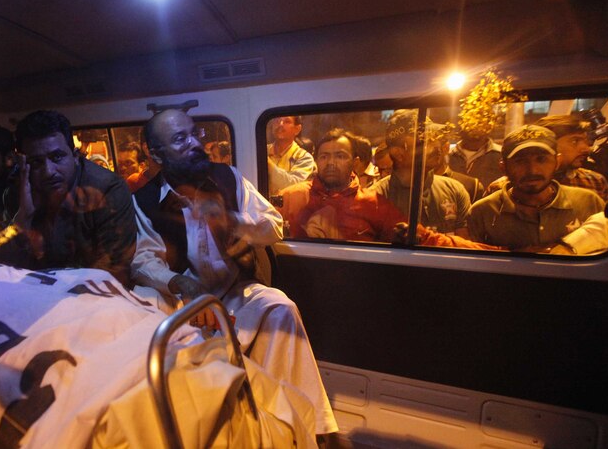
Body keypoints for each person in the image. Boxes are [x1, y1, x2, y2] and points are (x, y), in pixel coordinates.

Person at [131, 109, 337, 436]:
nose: (194, 143)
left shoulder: (228, 178)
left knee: (280, 307)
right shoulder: (142, 201)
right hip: (185, 301)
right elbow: (144, 261)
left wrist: (235, 221)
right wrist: (179, 283)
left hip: (235, 291)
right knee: (152, 316)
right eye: (179, 139)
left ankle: (306, 426)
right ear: (156, 154)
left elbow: (274, 227)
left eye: (194, 133)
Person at [9, 110, 137, 286]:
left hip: (97, 296)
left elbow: (113, 268)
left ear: (76, 156)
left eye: (57, 157)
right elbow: (1, 261)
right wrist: (23, 217)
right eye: (36, 162)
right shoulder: (22, 189)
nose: (48, 172)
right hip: (38, 291)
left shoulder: (106, 188)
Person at [468, 125, 604, 251]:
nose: (532, 170)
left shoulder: (588, 202)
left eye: (541, 159)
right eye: (520, 161)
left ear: (557, 162)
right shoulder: (483, 212)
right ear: (503, 167)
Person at [279, 129, 404, 240]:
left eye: (340, 156)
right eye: (324, 156)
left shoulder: (374, 204)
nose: (331, 162)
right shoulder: (290, 197)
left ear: (355, 162)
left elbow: (415, 240)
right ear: (316, 161)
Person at [370, 110, 472, 236]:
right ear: (399, 153)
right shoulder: (376, 198)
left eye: (434, 138)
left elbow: (463, 248)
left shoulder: (454, 190)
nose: (436, 146)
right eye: (424, 141)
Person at [485, 115, 608, 202]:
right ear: (550, 144)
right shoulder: (502, 188)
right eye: (575, 141)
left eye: (585, 141)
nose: (586, 149)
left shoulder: (595, 181)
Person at [425, 123, 485, 203]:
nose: (426, 151)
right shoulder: (412, 184)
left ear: (446, 148)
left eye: (432, 145)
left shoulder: (471, 186)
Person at [447, 117, 504, 187]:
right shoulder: (447, 155)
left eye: (480, 123)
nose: (475, 129)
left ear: (489, 128)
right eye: (470, 124)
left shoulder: (501, 155)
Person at [267, 115, 316, 195]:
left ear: (297, 129)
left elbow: (293, 187)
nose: (280, 124)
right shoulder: (260, 151)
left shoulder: (304, 158)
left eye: (287, 121)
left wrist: (268, 164)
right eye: (277, 121)